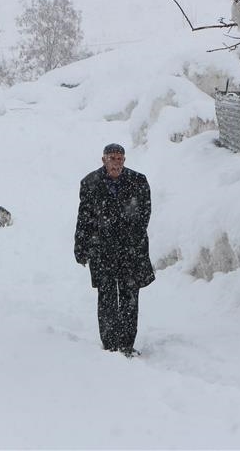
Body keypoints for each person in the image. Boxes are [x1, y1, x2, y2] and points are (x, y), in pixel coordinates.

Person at [75, 143, 155, 358]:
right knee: (107, 296)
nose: (116, 163)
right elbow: (85, 218)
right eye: (112, 158)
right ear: (103, 160)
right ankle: (110, 344)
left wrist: (130, 237)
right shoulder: (90, 183)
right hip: (102, 250)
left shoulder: (138, 181)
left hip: (131, 250)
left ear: (125, 160)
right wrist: (81, 247)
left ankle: (127, 344)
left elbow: (144, 214)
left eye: (120, 159)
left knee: (130, 297)